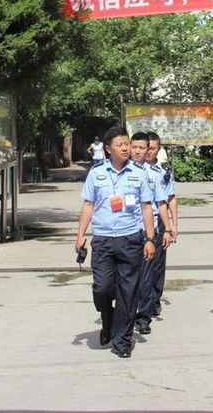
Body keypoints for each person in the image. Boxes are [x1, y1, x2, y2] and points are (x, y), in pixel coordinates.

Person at [75, 126, 156, 358]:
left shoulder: (139, 173)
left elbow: (146, 207)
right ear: (108, 149)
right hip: (103, 239)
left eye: (127, 144)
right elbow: (88, 204)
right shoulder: (96, 173)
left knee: (128, 292)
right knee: (102, 288)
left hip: (130, 238)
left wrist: (150, 239)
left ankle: (122, 341)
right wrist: (80, 235)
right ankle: (108, 317)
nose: (125, 148)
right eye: (120, 145)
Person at [135, 131, 177, 334]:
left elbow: (166, 200)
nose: (147, 151)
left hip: (154, 225)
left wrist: (171, 227)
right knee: (137, 272)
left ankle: (149, 306)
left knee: (154, 269)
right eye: (144, 147)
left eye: (151, 148)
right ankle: (137, 306)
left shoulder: (160, 172)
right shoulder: (128, 170)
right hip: (132, 227)